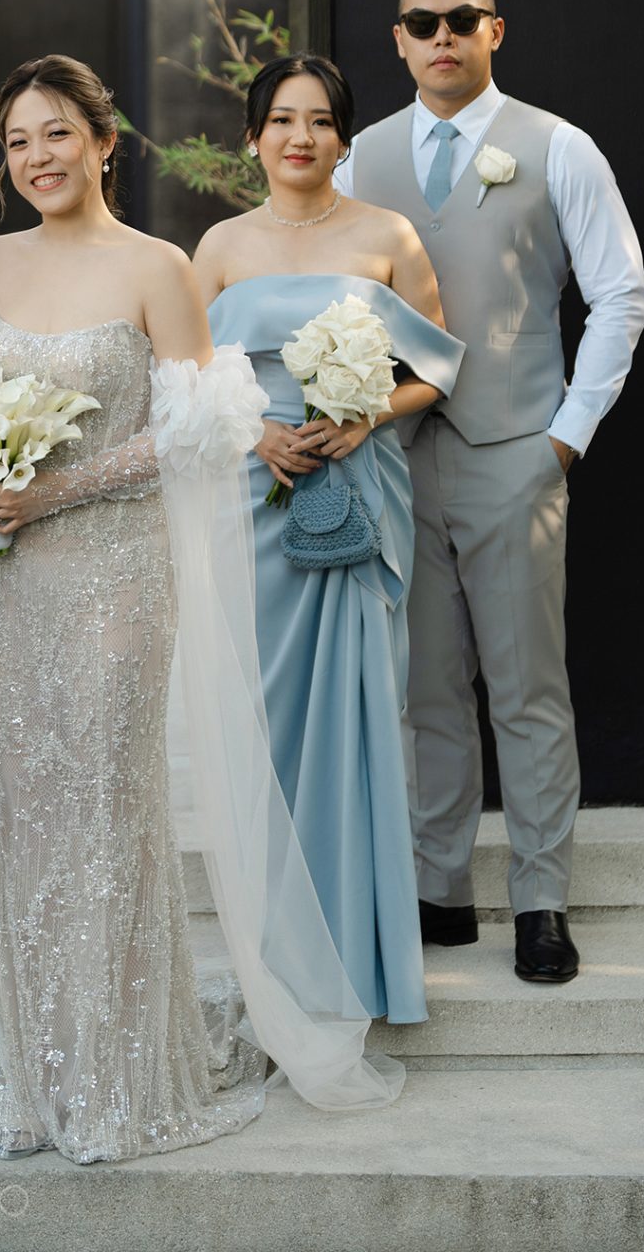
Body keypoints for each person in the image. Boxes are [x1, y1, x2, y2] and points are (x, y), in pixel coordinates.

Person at [0, 52, 401, 1166]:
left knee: (103, 805)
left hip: (116, 573)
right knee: (19, 807)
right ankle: (27, 1065)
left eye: (57, 133)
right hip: (8, 577)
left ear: (104, 143)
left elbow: (199, 427)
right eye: (17, 141)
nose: (37, 157)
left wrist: (55, 489)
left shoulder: (157, 266)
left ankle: (116, 1070)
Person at [343, 0, 644, 987]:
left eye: (460, 18)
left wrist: (566, 435)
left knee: (526, 687)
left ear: (493, 30)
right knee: (424, 687)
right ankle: (440, 889)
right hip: (395, 458)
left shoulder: (558, 146)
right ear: (398, 39)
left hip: (515, 451)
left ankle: (540, 899)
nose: (442, 35)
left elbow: (620, 293)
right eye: (421, 21)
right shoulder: (361, 156)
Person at [193, 54, 463, 1028]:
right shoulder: (219, 245)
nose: (299, 137)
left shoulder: (387, 235)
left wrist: (366, 415)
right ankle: (278, 957)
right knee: (268, 721)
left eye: (317, 121)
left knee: (359, 714)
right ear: (253, 136)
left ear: (343, 138)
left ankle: (359, 959)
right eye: (281, 119)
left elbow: (437, 366)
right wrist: (252, 434)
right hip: (253, 496)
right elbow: (184, 378)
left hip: (358, 489)